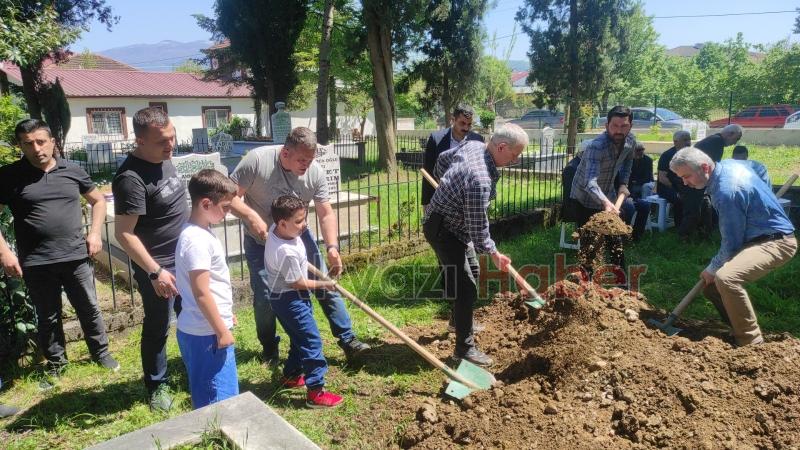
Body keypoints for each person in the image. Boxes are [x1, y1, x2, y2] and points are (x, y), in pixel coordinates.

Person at [229, 127, 369, 364]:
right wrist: (252, 218)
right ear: (285, 153)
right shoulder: (257, 161)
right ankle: (269, 348)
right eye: (302, 159)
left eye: (310, 159)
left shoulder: (314, 173)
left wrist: (333, 246)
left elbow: (325, 212)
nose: (306, 165)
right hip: (261, 243)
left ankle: (348, 339)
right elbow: (230, 196)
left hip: (299, 238)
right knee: (265, 296)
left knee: (325, 283)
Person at [0, 119, 119, 379]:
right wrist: (5, 253)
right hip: (36, 260)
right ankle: (57, 363)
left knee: (89, 308)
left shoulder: (72, 170)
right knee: (48, 315)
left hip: (75, 255)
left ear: (52, 141)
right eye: (28, 144)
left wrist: (95, 232)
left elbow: (98, 201)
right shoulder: (9, 177)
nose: (36, 149)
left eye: (41, 141)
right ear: (21, 145)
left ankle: (101, 353)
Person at [423, 123, 528, 367]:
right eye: (515, 155)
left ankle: (456, 320)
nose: (516, 160)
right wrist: (494, 253)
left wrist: (448, 184)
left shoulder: (473, 145)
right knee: (466, 285)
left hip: (456, 223)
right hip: (443, 229)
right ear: (501, 147)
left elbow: (442, 159)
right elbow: (478, 228)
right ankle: (464, 349)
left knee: (471, 272)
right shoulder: (478, 179)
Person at [669, 147, 796, 347]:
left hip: (775, 242)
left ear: (705, 167)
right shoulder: (729, 164)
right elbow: (759, 167)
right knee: (711, 288)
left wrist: (712, 267)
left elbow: (732, 243)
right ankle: (738, 328)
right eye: (681, 178)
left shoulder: (727, 192)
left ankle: (750, 343)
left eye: (687, 176)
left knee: (726, 278)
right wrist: (763, 196)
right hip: (755, 238)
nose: (685, 182)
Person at [113, 107, 189, 411]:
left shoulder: (163, 159)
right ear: (140, 141)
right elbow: (124, 234)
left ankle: (191, 361)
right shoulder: (130, 179)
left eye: (172, 138)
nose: (170, 145)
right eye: (162, 142)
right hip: (158, 267)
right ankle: (156, 384)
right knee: (158, 325)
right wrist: (156, 272)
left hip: (183, 259)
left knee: (192, 315)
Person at [265, 195, 343, 408]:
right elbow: (298, 283)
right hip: (290, 299)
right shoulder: (285, 252)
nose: (304, 224)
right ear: (282, 223)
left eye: (304, 218)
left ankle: (291, 375)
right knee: (311, 341)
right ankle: (316, 392)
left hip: (282, 297)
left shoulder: (277, 230)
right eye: (298, 221)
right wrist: (325, 284)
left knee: (298, 337)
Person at [175, 169, 239, 409]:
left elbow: (211, 286)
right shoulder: (197, 241)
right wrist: (221, 330)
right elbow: (201, 293)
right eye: (225, 207)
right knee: (218, 398)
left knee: (214, 390)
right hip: (207, 334)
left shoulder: (200, 232)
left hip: (208, 327)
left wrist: (223, 314)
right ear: (205, 203)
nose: (228, 212)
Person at [570, 106, 636, 273]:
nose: (619, 131)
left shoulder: (630, 142)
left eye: (624, 126)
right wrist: (605, 203)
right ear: (607, 125)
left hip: (609, 193)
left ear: (630, 126)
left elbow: (628, 163)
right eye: (614, 126)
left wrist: (624, 183)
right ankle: (587, 288)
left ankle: (621, 285)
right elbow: (589, 182)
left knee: (616, 243)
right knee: (589, 247)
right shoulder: (597, 146)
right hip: (585, 198)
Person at [680, 124, 744, 239]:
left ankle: (701, 235)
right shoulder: (716, 142)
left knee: (703, 208)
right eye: (736, 139)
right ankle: (685, 237)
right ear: (730, 134)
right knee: (694, 211)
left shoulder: (715, 140)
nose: (735, 143)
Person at [421, 104, 485, 206]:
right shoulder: (436, 139)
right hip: (441, 199)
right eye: (462, 123)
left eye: (469, 124)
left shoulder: (478, 140)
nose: (466, 128)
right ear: (453, 120)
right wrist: (426, 203)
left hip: (468, 201)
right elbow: (428, 171)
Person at [657, 130, 692, 228]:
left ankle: (697, 226)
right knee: (680, 199)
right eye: (685, 140)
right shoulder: (667, 155)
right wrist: (677, 189)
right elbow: (662, 178)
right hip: (667, 187)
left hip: (684, 185)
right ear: (675, 142)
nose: (688, 142)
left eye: (689, 139)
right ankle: (680, 228)